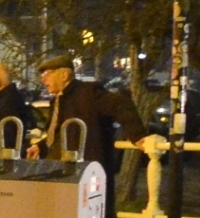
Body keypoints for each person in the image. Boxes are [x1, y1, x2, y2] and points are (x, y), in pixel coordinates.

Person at [33, 52, 145, 191]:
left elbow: (120, 105)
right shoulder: (58, 100)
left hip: (83, 171)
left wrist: (138, 136)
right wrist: (41, 146)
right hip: (62, 170)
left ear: (64, 76)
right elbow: (59, 134)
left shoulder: (88, 93)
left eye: (47, 75)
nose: (44, 80)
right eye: (42, 76)